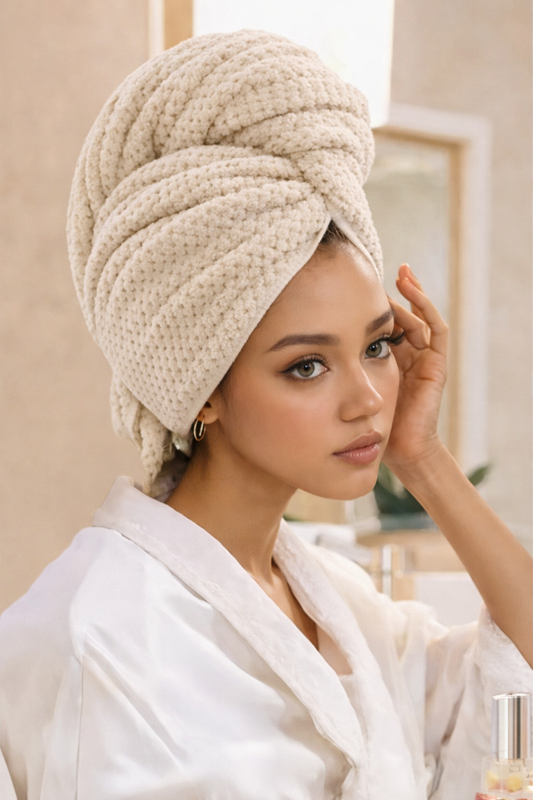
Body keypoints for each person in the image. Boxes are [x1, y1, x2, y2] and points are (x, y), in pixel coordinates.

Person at [0, 29, 531, 800]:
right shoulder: (104, 636)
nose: (368, 398)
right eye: (305, 365)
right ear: (201, 388)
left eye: (376, 346)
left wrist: (424, 461)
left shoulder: (333, 601)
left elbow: (516, 676)